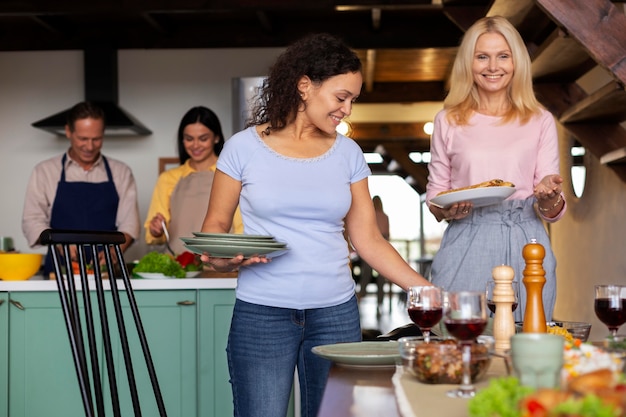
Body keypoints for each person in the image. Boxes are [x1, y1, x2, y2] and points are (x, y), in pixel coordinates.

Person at [199, 33, 431, 417]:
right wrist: (223, 260)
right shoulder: (242, 147)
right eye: (341, 97)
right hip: (262, 313)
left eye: (353, 100)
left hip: (335, 313)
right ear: (305, 86)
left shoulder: (349, 153)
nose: (347, 110)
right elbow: (215, 231)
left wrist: (427, 291)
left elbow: (368, 239)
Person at [425, 16, 566, 321]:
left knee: (529, 343)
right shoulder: (447, 120)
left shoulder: (540, 119)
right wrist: (447, 210)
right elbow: (436, 195)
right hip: (467, 235)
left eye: (503, 56)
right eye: (482, 57)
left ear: (517, 62)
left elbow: (550, 206)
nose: (493, 66)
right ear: (468, 63)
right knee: (458, 341)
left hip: (527, 239)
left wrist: (548, 195)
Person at [22, 101, 140, 276]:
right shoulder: (45, 171)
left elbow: (130, 224)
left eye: (97, 139)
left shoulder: (121, 172)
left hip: (106, 274)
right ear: (68, 131)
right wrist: (60, 244)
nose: (90, 146)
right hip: (59, 274)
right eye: (83, 138)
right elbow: (32, 220)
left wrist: (114, 252)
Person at [144, 106, 243, 254]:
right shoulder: (168, 179)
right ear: (182, 140)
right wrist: (156, 230)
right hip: (179, 268)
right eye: (189, 139)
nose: (195, 145)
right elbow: (154, 236)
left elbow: (241, 228)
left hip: (221, 265)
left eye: (203, 139)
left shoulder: (232, 174)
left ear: (216, 137)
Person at [357, 195, 390, 310]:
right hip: (382, 249)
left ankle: (361, 296)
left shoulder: (370, 215)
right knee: (381, 277)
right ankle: (380, 303)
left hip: (370, 248)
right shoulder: (385, 217)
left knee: (365, 274)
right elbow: (387, 235)